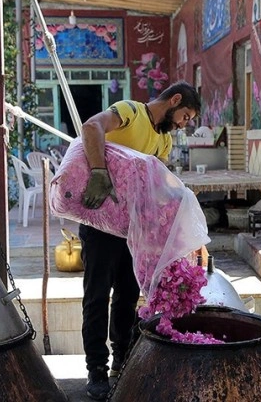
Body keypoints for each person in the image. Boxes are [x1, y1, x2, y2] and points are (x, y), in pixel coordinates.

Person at [78, 81, 201, 400]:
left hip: (134, 230)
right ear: (175, 100)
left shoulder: (165, 139)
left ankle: (122, 360)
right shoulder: (130, 112)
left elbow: (155, 184)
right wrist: (99, 172)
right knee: (96, 295)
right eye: (185, 116)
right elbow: (92, 126)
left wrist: (179, 197)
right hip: (101, 223)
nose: (183, 124)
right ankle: (96, 370)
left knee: (127, 295)